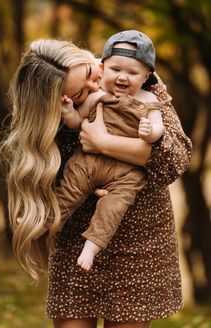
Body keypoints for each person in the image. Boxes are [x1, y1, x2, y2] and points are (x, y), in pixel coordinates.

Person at [0, 35, 192, 328]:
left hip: (138, 241)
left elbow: (174, 161)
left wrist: (103, 142)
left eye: (90, 74)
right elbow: (57, 174)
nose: (95, 87)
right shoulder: (52, 116)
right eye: (78, 95)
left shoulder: (136, 74)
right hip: (77, 243)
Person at [58, 30, 164, 272]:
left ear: (146, 75)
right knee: (69, 191)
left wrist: (150, 132)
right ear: (103, 68)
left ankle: (92, 247)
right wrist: (68, 112)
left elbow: (158, 129)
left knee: (113, 208)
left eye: (133, 72)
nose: (123, 77)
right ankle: (46, 222)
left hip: (126, 172)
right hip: (89, 160)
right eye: (116, 69)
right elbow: (78, 124)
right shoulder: (97, 95)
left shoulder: (148, 100)